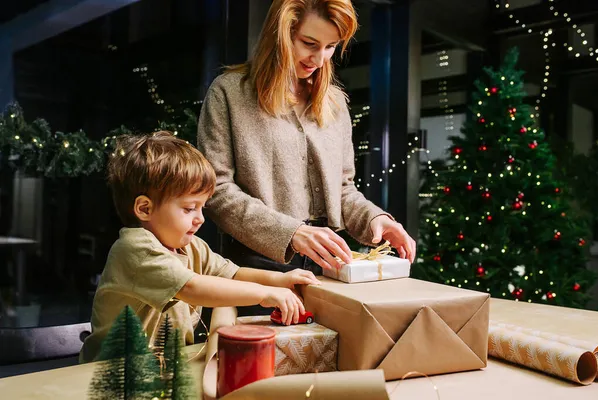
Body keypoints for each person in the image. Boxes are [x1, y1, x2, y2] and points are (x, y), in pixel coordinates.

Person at [197, 0, 416, 287]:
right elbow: (217, 190)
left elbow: (342, 189)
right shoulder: (229, 93)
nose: (320, 58)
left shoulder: (335, 103)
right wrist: (292, 233)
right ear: (281, 33)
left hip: (331, 265)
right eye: (309, 43)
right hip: (256, 268)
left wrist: (375, 219)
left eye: (331, 46)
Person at [79, 131, 320, 363]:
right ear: (144, 209)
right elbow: (191, 287)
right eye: (188, 208)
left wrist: (279, 280)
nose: (200, 218)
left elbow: (233, 273)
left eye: (202, 207)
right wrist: (265, 294)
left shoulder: (192, 246)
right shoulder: (134, 248)